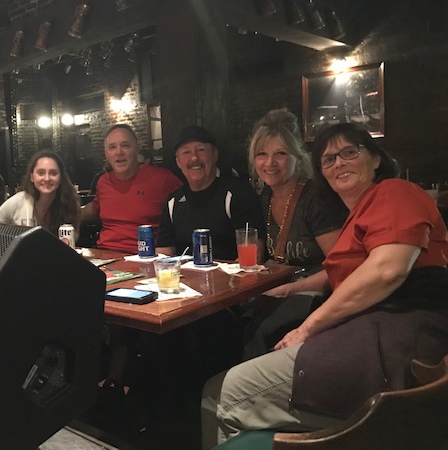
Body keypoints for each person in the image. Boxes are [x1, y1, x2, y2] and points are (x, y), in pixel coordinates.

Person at [201, 123, 448, 449]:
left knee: (221, 393)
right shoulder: (354, 215)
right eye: (329, 159)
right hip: (371, 336)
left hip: (395, 344)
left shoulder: (394, 191)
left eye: (349, 152)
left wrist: (306, 328)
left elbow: (387, 270)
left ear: (376, 159)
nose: (339, 163)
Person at [241, 109, 348, 358]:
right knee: (232, 319)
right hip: (283, 290)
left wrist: (290, 289)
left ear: (297, 157)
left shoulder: (315, 198)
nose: (270, 163)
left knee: (260, 332)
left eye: (280, 154)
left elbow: (342, 268)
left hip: (318, 295)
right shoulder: (266, 196)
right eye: (262, 154)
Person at [156, 125, 265, 261]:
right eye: (186, 152)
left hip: (232, 273)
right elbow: (164, 253)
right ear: (178, 161)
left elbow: (254, 254)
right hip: (184, 273)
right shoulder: (173, 202)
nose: (194, 158)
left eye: (201, 150)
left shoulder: (238, 193)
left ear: (214, 154)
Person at [81, 124, 183, 253]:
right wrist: (65, 214)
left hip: (144, 257)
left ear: (137, 149)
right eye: (112, 147)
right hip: (103, 256)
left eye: (125, 145)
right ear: (106, 154)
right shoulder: (103, 181)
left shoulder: (163, 179)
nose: (119, 152)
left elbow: (187, 212)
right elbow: (94, 208)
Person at [0, 150, 80, 236]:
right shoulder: (18, 201)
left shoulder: (70, 205)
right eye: (41, 173)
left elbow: (72, 239)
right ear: (32, 177)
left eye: (53, 173)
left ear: (61, 178)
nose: (47, 178)